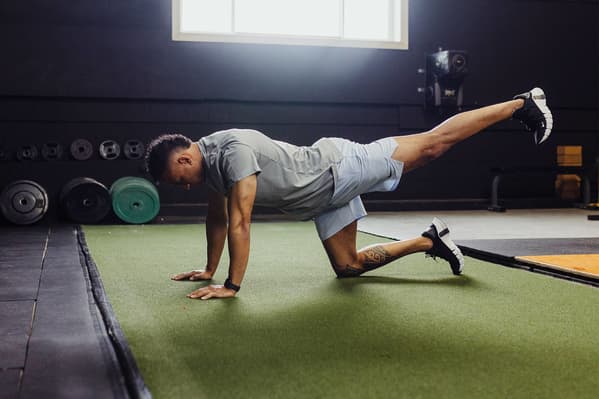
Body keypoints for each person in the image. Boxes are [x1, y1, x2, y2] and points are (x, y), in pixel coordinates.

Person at [144, 87, 552, 300]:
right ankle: (430, 240)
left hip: (339, 167)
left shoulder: (232, 151)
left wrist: (230, 286)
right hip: (325, 198)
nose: (183, 186)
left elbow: (240, 221)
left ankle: (521, 104)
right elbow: (216, 218)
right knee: (349, 266)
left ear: (182, 159)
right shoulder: (211, 169)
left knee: (432, 144)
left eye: (178, 178)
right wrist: (209, 268)